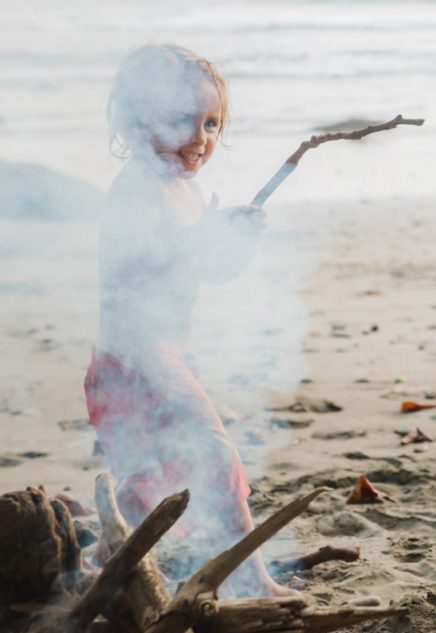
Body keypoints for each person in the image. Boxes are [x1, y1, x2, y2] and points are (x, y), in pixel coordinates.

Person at [84, 43, 293, 597]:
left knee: (150, 478)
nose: (201, 138)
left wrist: (235, 243)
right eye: (183, 119)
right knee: (213, 456)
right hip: (134, 360)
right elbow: (137, 266)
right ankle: (255, 580)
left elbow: (208, 271)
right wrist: (196, 238)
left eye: (211, 123)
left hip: (165, 357)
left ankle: (104, 565)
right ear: (136, 116)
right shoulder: (137, 189)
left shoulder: (186, 189)